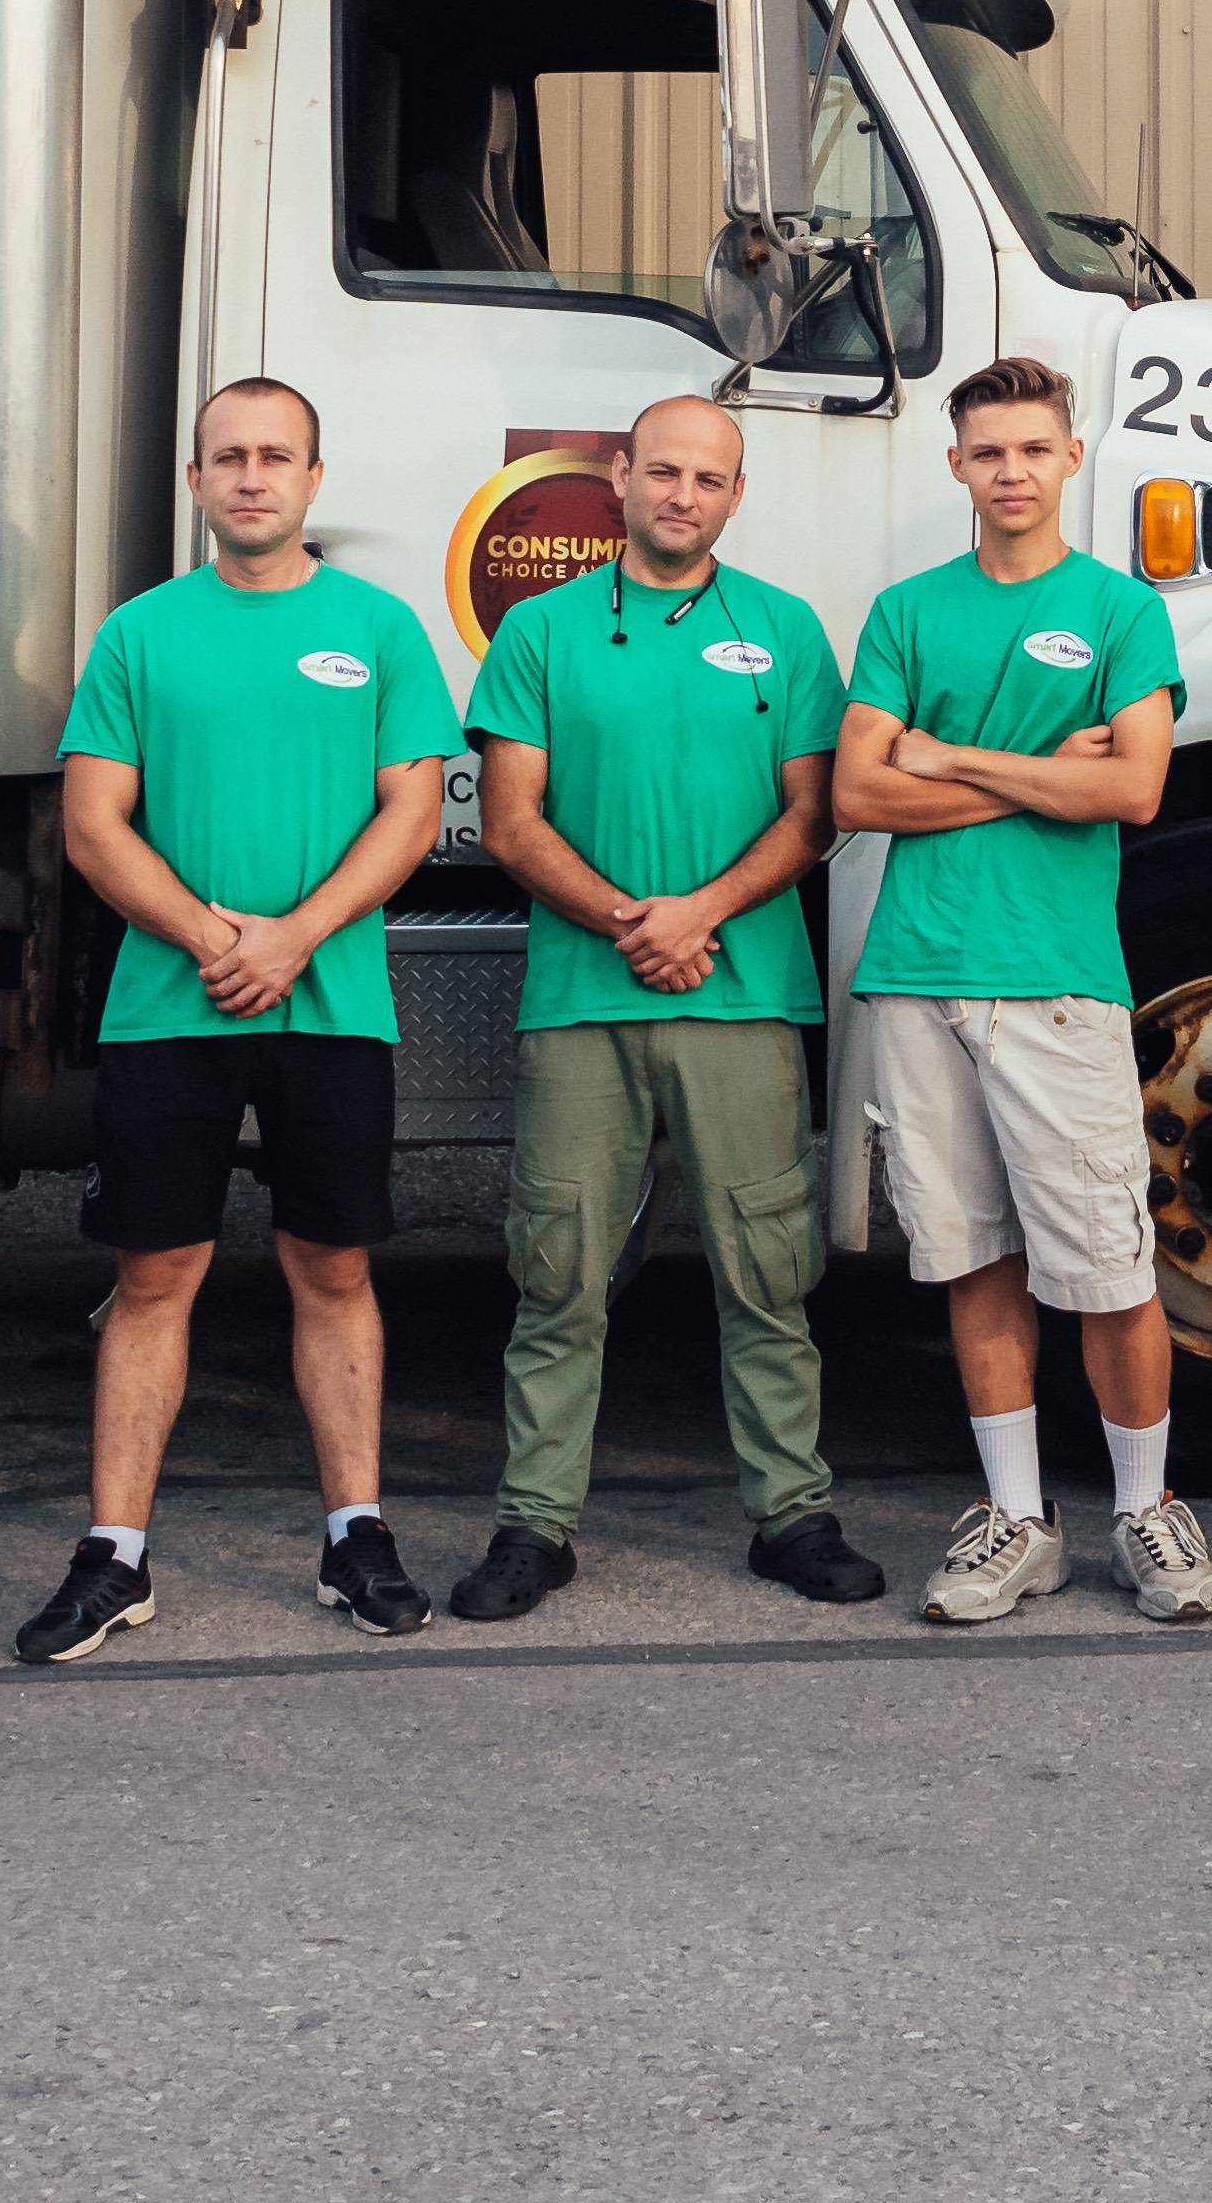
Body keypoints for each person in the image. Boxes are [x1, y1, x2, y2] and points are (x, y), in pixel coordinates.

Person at [14, 376, 461, 1665]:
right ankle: (116, 1555)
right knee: (153, 1277)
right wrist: (221, 942)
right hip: (172, 1007)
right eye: (229, 457)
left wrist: (296, 936)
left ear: (316, 478)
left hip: (332, 1005)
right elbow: (93, 825)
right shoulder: (141, 635)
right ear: (197, 481)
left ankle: (356, 1537)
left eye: (276, 456)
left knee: (335, 1270)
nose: (252, 475)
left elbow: (413, 813)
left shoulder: (378, 628)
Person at [449, 395, 886, 1622]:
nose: (682, 494)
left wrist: (700, 913)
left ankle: (792, 1515)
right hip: (582, 1000)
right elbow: (509, 822)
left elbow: (815, 813)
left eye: (708, 478)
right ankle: (534, 1527)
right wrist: (632, 922)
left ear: (735, 496)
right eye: (663, 471)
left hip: (741, 997)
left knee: (767, 1270)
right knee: (559, 1273)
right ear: (620, 477)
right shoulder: (540, 631)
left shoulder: (784, 630)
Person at [836, 356, 1212, 1628]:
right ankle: (1018, 1518)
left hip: (1056, 980)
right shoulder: (906, 612)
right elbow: (858, 792)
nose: (1011, 472)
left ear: (1071, 458)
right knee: (970, 1259)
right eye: (989, 451)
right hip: (917, 976)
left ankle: (1146, 1511)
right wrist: (1033, 770)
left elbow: (1133, 788)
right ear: (957, 464)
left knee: (1107, 1267)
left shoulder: (1120, 612)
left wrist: (945, 755)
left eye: (1033, 450)